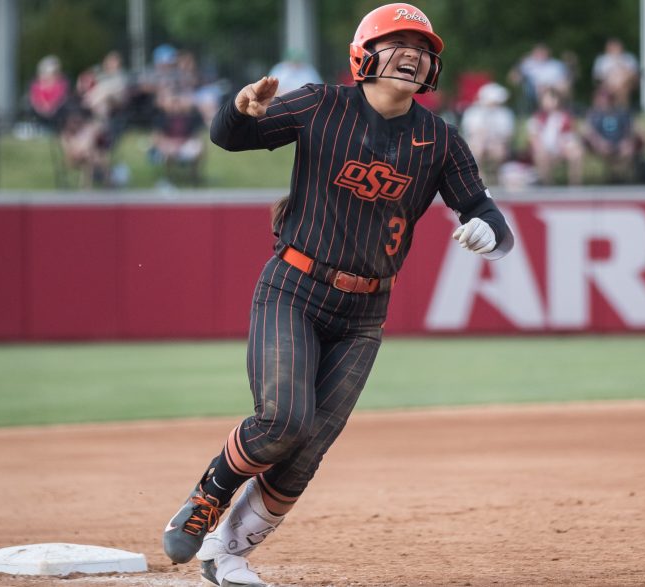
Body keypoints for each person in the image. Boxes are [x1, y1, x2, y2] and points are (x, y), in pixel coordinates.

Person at [160, 4, 514, 586]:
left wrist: (489, 231)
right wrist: (238, 108)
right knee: (283, 422)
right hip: (294, 288)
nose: (412, 56)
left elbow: (485, 211)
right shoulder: (320, 103)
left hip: (364, 313)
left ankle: (228, 554)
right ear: (362, 55)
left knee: (307, 451)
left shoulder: (439, 139)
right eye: (398, 44)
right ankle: (205, 500)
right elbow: (229, 137)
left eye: (422, 49)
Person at [460, 81, 515, 185]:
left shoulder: (505, 113)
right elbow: (472, 134)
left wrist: (494, 142)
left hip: (496, 144)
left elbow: (507, 135)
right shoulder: (473, 113)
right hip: (477, 143)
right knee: (477, 147)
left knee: (498, 150)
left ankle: (494, 176)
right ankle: (479, 175)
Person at [526, 87, 583, 185]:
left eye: (551, 99)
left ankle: (575, 185)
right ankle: (547, 185)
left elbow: (569, 137)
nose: (548, 102)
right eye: (545, 99)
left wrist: (567, 147)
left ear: (557, 100)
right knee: (540, 155)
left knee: (576, 153)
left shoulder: (564, 117)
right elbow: (533, 138)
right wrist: (542, 149)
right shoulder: (536, 118)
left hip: (561, 149)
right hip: (544, 150)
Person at [592, 38, 639, 107]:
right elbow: (598, 76)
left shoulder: (629, 58)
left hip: (626, 84)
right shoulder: (602, 60)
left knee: (623, 84)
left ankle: (621, 109)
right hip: (607, 84)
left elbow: (633, 74)